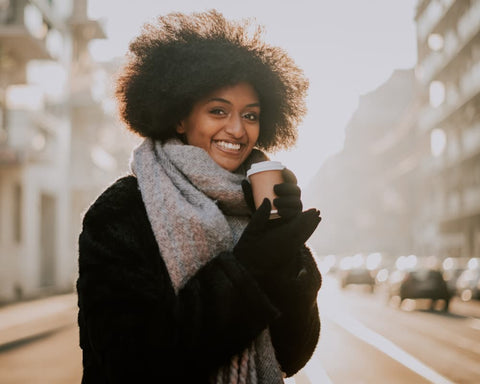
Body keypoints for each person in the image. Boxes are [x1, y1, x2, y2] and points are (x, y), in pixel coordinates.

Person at [76, 10, 322, 384]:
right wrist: (247, 269)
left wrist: (287, 261)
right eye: (218, 110)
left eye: (251, 115)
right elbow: (129, 362)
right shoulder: (121, 212)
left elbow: (292, 355)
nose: (238, 130)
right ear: (179, 117)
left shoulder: (258, 206)